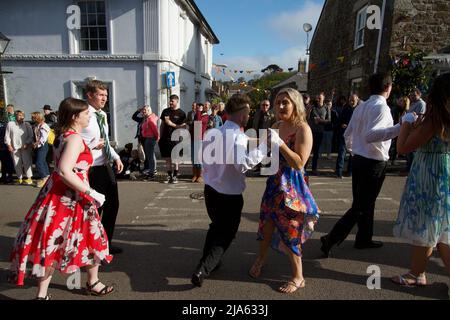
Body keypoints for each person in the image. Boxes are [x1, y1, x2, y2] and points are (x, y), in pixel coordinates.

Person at [9, 97, 113, 300]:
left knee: (50, 242)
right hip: (73, 196)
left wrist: (89, 147)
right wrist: (91, 193)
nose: (89, 115)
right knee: (94, 238)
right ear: (75, 117)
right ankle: (93, 282)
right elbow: (66, 171)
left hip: (55, 195)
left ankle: (42, 295)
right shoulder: (74, 138)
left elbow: (67, 161)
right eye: (85, 113)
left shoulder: (63, 135)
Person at [191, 93, 272, 287]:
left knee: (216, 226)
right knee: (227, 233)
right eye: (247, 112)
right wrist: (263, 147)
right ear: (242, 115)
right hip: (229, 194)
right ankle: (204, 267)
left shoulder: (213, 132)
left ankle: (210, 262)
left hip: (211, 190)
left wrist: (214, 175)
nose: (248, 116)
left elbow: (204, 159)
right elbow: (243, 164)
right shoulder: (238, 136)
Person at [320, 73, 405, 257]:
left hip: (359, 159)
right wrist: (400, 127)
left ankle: (364, 238)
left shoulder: (361, 106)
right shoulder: (381, 107)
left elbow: (348, 134)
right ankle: (331, 238)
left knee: (365, 203)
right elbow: (370, 135)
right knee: (361, 205)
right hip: (372, 162)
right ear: (388, 87)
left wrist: (354, 150)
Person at [249, 88, 320, 293]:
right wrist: (239, 139)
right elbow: (262, 147)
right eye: (278, 102)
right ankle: (261, 260)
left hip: (292, 187)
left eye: (285, 102)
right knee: (266, 224)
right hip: (273, 183)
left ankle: (299, 276)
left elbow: (299, 163)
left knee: (290, 228)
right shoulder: (276, 125)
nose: (279, 106)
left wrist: (281, 145)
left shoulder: (303, 129)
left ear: (295, 104)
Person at [391, 73, 450, 297]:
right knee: (435, 228)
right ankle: (417, 273)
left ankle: (417, 274)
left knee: (435, 230)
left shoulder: (435, 120)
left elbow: (403, 148)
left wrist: (406, 123)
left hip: (429, 178)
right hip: (443, 173)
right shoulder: (442, 119)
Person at [81, 80, 124, 255]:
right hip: (90, 168)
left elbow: (105, 140)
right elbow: (70, 141)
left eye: (106, 95)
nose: (104, 98)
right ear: (89, 95)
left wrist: (116, 157)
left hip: (105, 164)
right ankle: (89, 245)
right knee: (95, 208)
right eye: (100, 95)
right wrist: (91, 146)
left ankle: (105, 242)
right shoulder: (82, 114)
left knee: (113, 204)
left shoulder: (102, 115)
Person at [158, 94, 186, 184]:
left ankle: (175, 176)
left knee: (175, 158)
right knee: (167, 158)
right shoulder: (165, 111)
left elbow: (183, 127)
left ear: (177, 101)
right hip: (165, 138)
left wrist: (172, 124)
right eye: (170, 101)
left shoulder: (181, 113)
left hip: (176, 138)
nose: (170, 103)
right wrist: (160, 136)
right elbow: (163, 124)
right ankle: (169, 175)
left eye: (172, 101)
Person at [4, 110, 34, 185]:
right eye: (19, 115)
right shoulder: (10, 124)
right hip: (14, 147)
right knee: (16, 162)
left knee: (27, 162)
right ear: (15, 116)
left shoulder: (27, 124)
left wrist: (27, 143)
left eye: (22, 115)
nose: (21, 117)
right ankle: (19, 178)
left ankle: (29, 178)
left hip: (25, 147)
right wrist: (9, 145)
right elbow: (7, 136)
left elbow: (31, 136)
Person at [335, 94, 359, 178]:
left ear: (357, 100)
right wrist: (342, 124)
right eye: (350, 100)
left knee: (353, 155)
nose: (352, 102)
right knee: (342, 154)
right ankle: (339, 172)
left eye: (353, 100)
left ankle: (350, 172)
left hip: (355, 136)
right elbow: (339, 120)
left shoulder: (359, 109)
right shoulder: (345, 109)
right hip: (345, 135)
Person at [307, 92, 330, 175]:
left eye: (320, 98)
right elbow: (307, 118)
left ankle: (314, 168)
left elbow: (329, 120)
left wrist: (321, 121)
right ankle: (303, 169)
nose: (318, 99)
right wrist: (308, 110)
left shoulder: (326, 108)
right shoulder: (313, 107)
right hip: (311, 131)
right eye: (317, 98)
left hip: (320, 132)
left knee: (316, 152)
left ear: (323, 98)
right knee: (308, 151)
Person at [405, 89, 427, 172]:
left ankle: (411, 168)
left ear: (419, 95)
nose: (412, 96)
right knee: (409, 150)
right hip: (409, 129)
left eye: (414, 95)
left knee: (413, 150)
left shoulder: (421, 103)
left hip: (415, 129)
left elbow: (420, 117)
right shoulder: (413, 103)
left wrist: (414, 128)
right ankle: (408, 167)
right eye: (411, 95)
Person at [135, 105, 159, 179]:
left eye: (145, 110)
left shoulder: (150, 119)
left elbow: (155, 130)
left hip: (150, 138)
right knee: (150, 156)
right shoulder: (147, 119)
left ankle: (152, 172)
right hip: (147, 138)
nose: (143, 111)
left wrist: (157, 138)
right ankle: (152, 170)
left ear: (149, 111)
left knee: (150, 156)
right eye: (143, 110)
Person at [31, 112, 51, 188]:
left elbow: (43, 138)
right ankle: (47, 177)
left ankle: (44, 178)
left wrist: (36, 143)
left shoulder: (43, 126)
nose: (32, 118)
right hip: (40, 145)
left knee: (39, 162)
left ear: (38, 117)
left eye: (34, 117)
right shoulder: (37, 125)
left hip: (43, 145)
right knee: (43, 161)